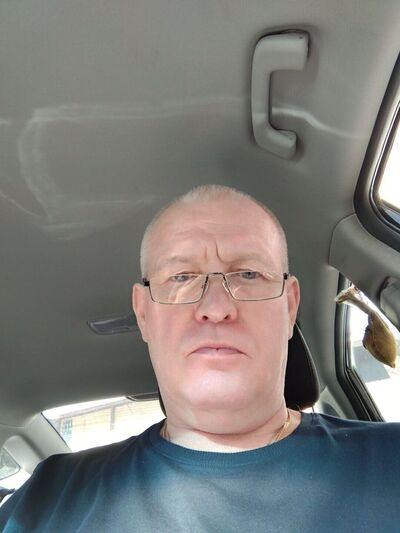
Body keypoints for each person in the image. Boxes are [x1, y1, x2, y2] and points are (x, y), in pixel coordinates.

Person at [0, 184, 399, 532]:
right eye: (182, 277)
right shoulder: (47, 498)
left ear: (290, 305)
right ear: (143, 313)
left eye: (248, 274)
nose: (216, 308)